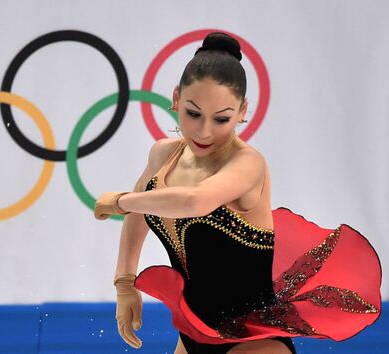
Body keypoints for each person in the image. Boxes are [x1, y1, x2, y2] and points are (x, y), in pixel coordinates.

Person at [94, 32, 381, 354]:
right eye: (192, 113)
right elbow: (139, 217)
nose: (204, 131)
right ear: (176, 98)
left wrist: (121, 201)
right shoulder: (163, 154)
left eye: (221, 119)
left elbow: (194, 201)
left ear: (242, 111)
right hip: (195, 333)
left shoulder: (247, 164)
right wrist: (124, 284)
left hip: (254, 340)